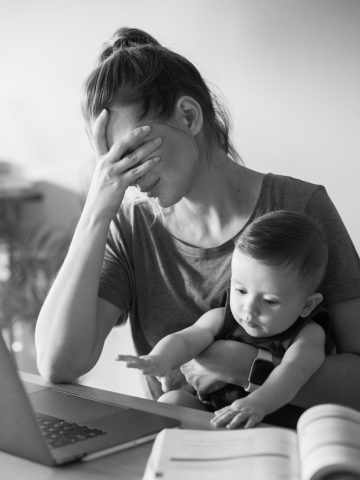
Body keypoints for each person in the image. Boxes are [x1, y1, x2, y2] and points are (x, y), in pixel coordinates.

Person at [35, 27, 360, 424]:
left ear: (188, 116)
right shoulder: (130, 229)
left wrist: (247, 367)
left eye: (131, 151)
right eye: (110, 160)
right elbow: (57, 365)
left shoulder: (301, 209)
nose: (126, 176)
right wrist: (95, 211)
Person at [116, 211, 332, 428]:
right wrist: (161, 359)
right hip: (217, 418)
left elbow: (293, 373)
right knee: (171, 401)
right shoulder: (223, 319)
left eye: (269, 301)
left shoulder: (308, 334)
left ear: (307, 305)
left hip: (271, 427)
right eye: (240, 290)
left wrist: (257, 404)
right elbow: (184, 340)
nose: (249, 308)